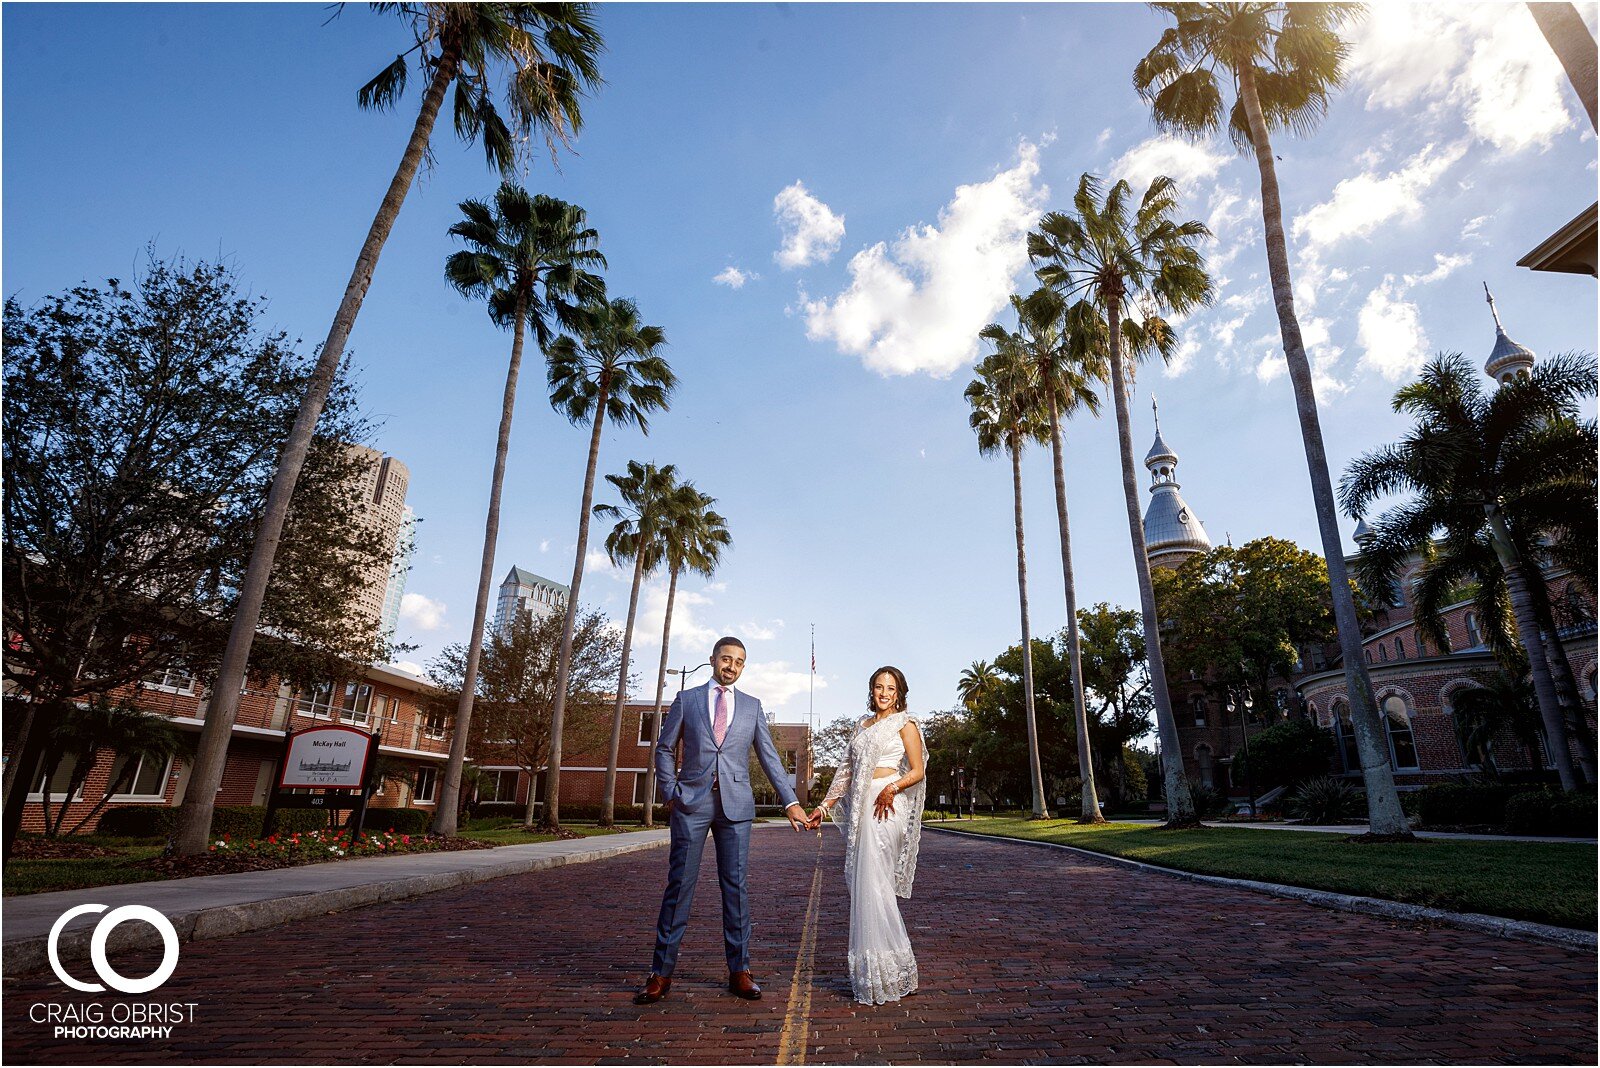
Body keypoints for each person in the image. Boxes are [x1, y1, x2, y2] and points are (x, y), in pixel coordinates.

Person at [635, 636, 809, 1005]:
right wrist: (671, 792)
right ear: (713, 659)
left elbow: (770, 758)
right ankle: (660, 973)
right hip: (691, 804)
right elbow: (664, 749)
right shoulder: (688, 699)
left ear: (744, 667)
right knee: (679, 886)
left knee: (736, 888)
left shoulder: (751, 706)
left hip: (737, 808)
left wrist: (790, 801)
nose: (732, 666)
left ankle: (740, 970)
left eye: (739, 661)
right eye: (726, 658)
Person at [807, 666, 928, 1005]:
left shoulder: (906, 723)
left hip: (887, 804)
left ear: (899, 692)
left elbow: (917, 770)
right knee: (866, 885)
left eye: (890, 687)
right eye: (879, 686)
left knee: (876, 883)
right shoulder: (861, 726)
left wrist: (892, 787)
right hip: (863, 805)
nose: (884, 692)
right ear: (871, 690)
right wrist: (823, 807)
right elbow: (846, 772)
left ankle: (892, 970)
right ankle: (880, 971)